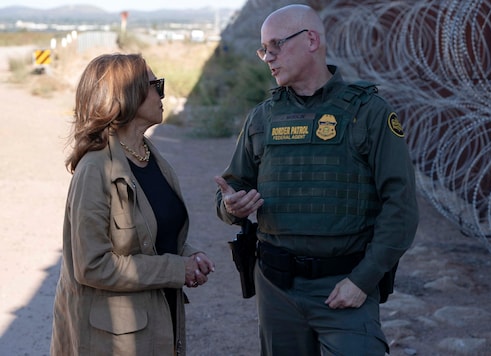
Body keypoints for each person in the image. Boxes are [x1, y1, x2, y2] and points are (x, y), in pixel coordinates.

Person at [215, 4, 419, 355]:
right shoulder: (262, 118)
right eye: (264, 49)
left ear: (311, 40)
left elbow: (400, 207)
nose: (268, 57)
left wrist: (362, 280)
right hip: (276, 288)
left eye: (276, 45)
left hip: (345, 286)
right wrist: (231, 207)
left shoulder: (368, 113)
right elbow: (228, 193)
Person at [50, 53, 215, 356]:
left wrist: (189, 255)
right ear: (127, 96)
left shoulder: (150, 157)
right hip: (113, 341)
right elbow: (92, 265)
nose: (162, 94)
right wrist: (177, 268)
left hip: (158, 322)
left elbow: (151, 236)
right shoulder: (94, 169)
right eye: (156, 85)